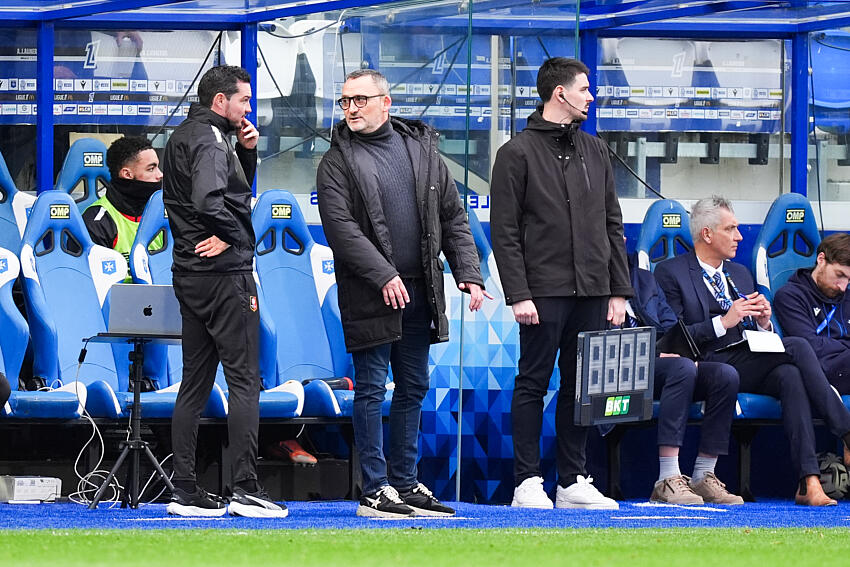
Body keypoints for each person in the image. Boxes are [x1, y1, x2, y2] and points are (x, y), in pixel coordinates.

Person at [316, 69, 488, 518]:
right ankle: (375, 490)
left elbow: (452, 217)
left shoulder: (422, 149)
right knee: (372, 388)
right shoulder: (336, 161)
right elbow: (341, 230)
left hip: (420, 290)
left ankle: (405, 484)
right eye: (345, 101)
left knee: (413, 387)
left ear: (385, 102)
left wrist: (468, 272)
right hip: (370, 291)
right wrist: (383, 275)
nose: (351, 108)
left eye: (360, 99)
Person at [491, 57, 632, 510]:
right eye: (585, 89)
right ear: (560, 93)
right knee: (532, 383)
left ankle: (572, 481)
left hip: (593, 289)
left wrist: (618, 290)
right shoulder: (515, 153)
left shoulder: (596, 150)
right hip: (542, 291)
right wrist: (519, 294)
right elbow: (504, 231)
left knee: (581, 385)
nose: (591, 97)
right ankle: (527, 481)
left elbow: (612, 223)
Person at [655, 196, 850, 506]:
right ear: (707, 234)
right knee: (798, 347)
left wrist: (763, 323)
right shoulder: (671, 272)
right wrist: (723, 322)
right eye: (731, 229)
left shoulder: (740, 273)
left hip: (742, 359)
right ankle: (845, 431)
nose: (739, 236)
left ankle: (808, 481)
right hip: (703, 362)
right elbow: (672, 337)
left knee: (789, 375)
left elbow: (751, 334)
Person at [162, 65, 286, 518]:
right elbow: (210, 201)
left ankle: (185, 490)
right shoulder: (212, 140)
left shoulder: (183, 135)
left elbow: (228, 195)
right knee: (244, 381)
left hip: (189, 273)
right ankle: (246, 489)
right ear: (220, 101)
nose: (248, 108)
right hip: (225, 276)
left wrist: (247, 154)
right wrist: (239, 240)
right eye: (244, 100)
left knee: (193, 383)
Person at [626, 251, 742, 505]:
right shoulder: (592, 284)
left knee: (724, 374)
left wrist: (679, 350)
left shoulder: (645, 280)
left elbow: (671, 327)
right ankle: (667, 478)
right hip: (621, 368)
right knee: (682, 368)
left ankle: (703, 475)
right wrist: (654, 355)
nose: (621, 240)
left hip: (662, 365)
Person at [774, 233, 850, 395]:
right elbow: (809, 346)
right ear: (821, 259)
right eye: (840, 275)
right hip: (819, 372)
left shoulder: (847, 296)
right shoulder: (790, 296)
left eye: (849, 280)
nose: (843, 287)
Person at [82, 135, 163, 280]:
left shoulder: (165, 214)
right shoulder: (97, 221)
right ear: (127, 174)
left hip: (164, 293)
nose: (160, 175)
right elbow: (90, 282)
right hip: (116, 294)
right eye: (151, 169)